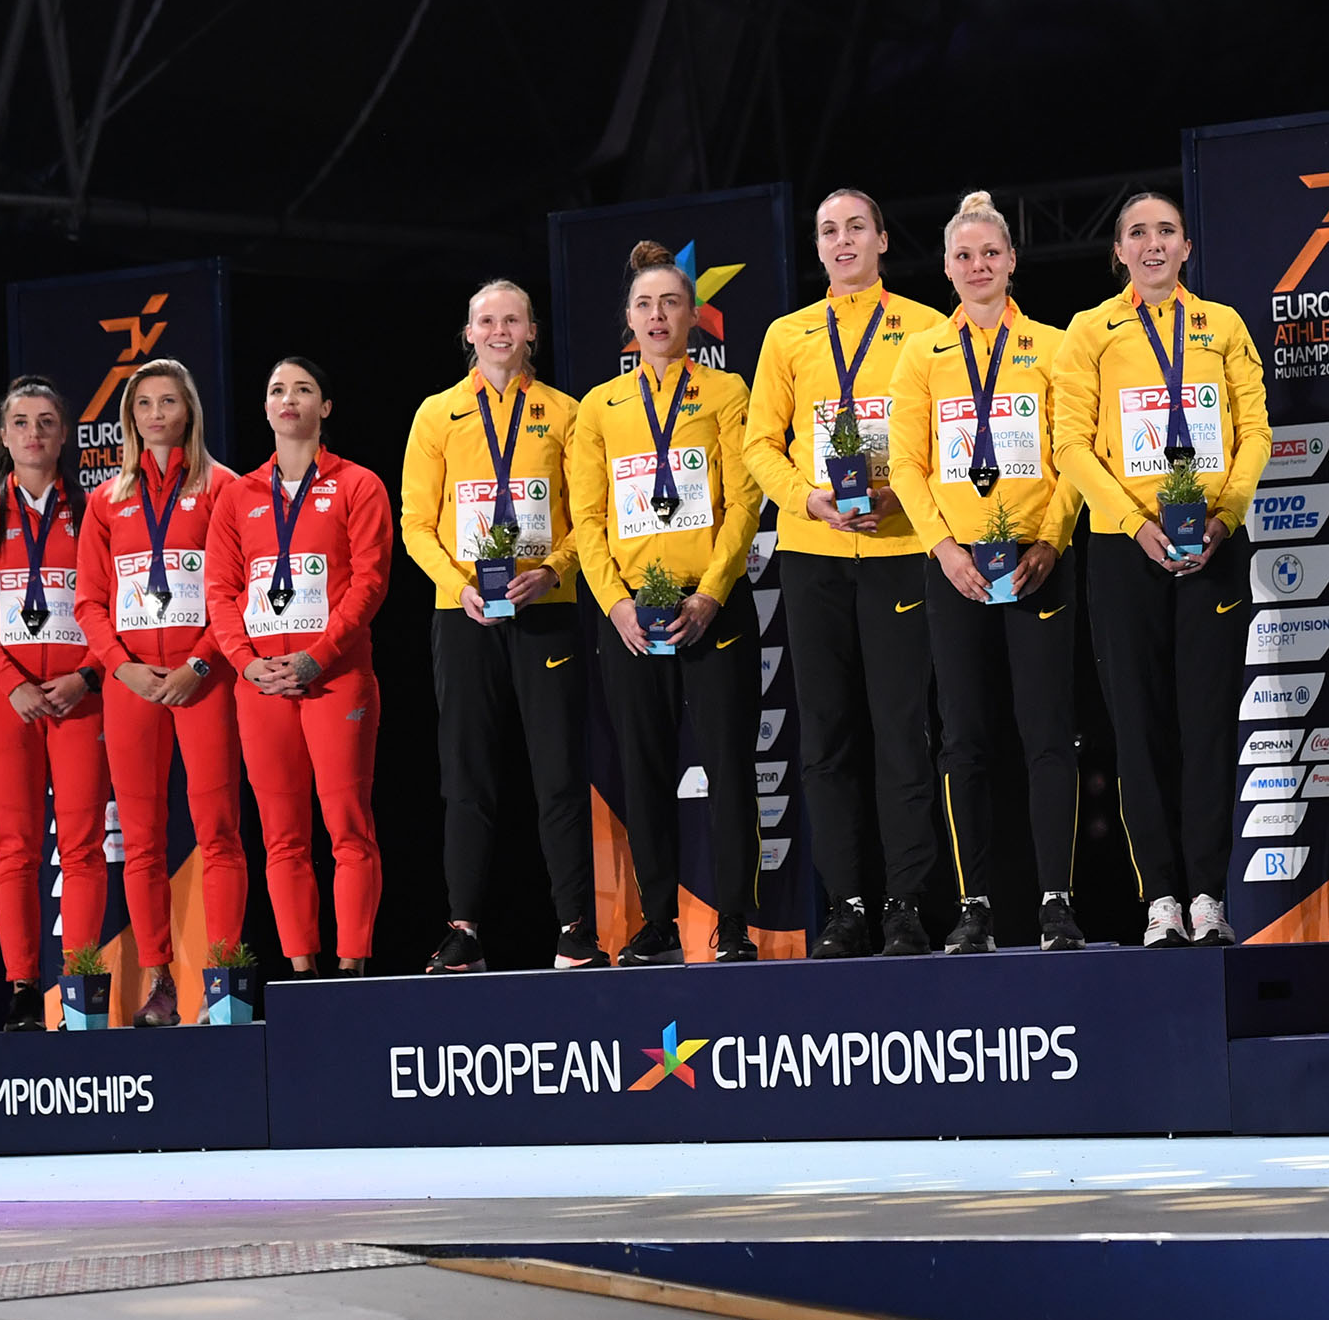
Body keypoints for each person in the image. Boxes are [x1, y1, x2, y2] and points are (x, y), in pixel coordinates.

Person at [1052, 190, 1270, 949]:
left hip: (1212, 540)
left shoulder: (1222, 325)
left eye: (1167, 231)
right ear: (1118, 251)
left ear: (1185, 247)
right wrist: (1134, 524)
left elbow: (1254, 431)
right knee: (1138, 729)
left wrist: (1225, 517)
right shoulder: (1089, 331)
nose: (1153, 244)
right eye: (1137, 233)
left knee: (1208, 724)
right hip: (1125, 550)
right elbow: (1070, 443)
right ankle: (1161, 899)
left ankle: (1208, 895)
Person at [744, 190, 946, 957]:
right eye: (828, 230)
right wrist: (808, 499)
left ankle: (904, 904)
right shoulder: (787, 333)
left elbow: (942, 429)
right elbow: (760, 443)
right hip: (813, 552)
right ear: (818, 246)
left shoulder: (926, 326)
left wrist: (901, 493)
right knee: (825, 737)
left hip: (899, 548)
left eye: (856, 226)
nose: (842, 240)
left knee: (901, 732)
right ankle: (845, 904)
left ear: (882, 239)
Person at [885, 192, 1086, 955]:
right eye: (964, 255)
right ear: (945, 267)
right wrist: (943, 549)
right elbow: (905, 464)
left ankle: (1056, 902)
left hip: (1037, 561)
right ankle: (973, 906)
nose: (978, 266)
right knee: (962, 740)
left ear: (1011, 260)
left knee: (1047, 735)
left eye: (990, 253)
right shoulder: (921, 354)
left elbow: (1072, 449)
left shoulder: (1054, 347)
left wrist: (1052, 540)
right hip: (956, 569)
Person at [568, 244, 764, 965]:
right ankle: (657, 922)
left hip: (711, 608)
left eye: (671, 303)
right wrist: (616, 605)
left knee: (729, 767)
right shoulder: (599, 406)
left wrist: (712, 592)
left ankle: (734, 921)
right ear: (628, 318)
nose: (657, 316)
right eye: (644, 305)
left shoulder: (727, 392)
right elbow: (587, 518)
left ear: (694, 316)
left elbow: (744, 500)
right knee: (644, 769)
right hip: (629, 620)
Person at [400, 280, 596, 972]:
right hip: (464, 615)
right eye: (486, 320)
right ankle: (463, 931)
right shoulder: (437, 413)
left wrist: (553, 571)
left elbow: (587, 516)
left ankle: (575, 928)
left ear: (532, 331)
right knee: (467, 776)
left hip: (546, 608)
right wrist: (458, 588)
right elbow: (416, 524)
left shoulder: (566, 412)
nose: (499, 331)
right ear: (468, 333)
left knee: (559, 773)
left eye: (512, 319)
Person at [206, 358, 393, 976]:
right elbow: (220, 591)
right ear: (265, 408)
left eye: (304, 389)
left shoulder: (358, 484)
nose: (289, 399)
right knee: (282, 837)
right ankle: (302, 973)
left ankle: (351, 969)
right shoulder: (238, 496)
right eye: (277, 390)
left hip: (335, 678)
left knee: (347, 827)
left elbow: (368, 583)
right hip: (262, 686)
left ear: (325, 407)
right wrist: (244, 663)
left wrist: (318, 656)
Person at [77, 357, 249, 1025]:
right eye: (144, 403)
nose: (155, 414)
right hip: (133, 688)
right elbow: (90, 601)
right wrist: (121, 668)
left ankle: (223, 980)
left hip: (202, 682)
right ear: (129, 416)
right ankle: (159, 983)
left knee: (218, 831)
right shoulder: (106, 500)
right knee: (141, 841)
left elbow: (235, 591)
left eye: (168, 401)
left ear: (189, 411)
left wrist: (199, 665)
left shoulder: (224, 489)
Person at [0, 378, 108, 1030]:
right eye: (21, 422)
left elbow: (112, 603)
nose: (34, 433)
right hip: (7, 705)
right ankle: (21, 988)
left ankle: (81, 985)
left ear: (65, 433)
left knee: (82, 845)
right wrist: (10, 683)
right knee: (13, 849)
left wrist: (88, 675)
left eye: (46, 421)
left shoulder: (95, 509)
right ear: (3, 436)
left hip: (79, 700)